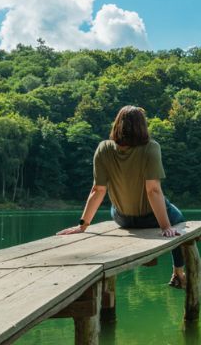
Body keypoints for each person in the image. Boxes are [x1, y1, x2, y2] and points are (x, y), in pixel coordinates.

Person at [57, 105, 187, 289]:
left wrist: (83, 225)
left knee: (114, 206)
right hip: (150, 219)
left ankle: (163, 262)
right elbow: (153, 191)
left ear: (117, 125)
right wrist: (166, 227)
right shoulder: (151, 148)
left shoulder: (104, 148)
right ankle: (178, 271)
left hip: (122, 218)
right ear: (142, 126)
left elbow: (98, 190)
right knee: (180, 220)